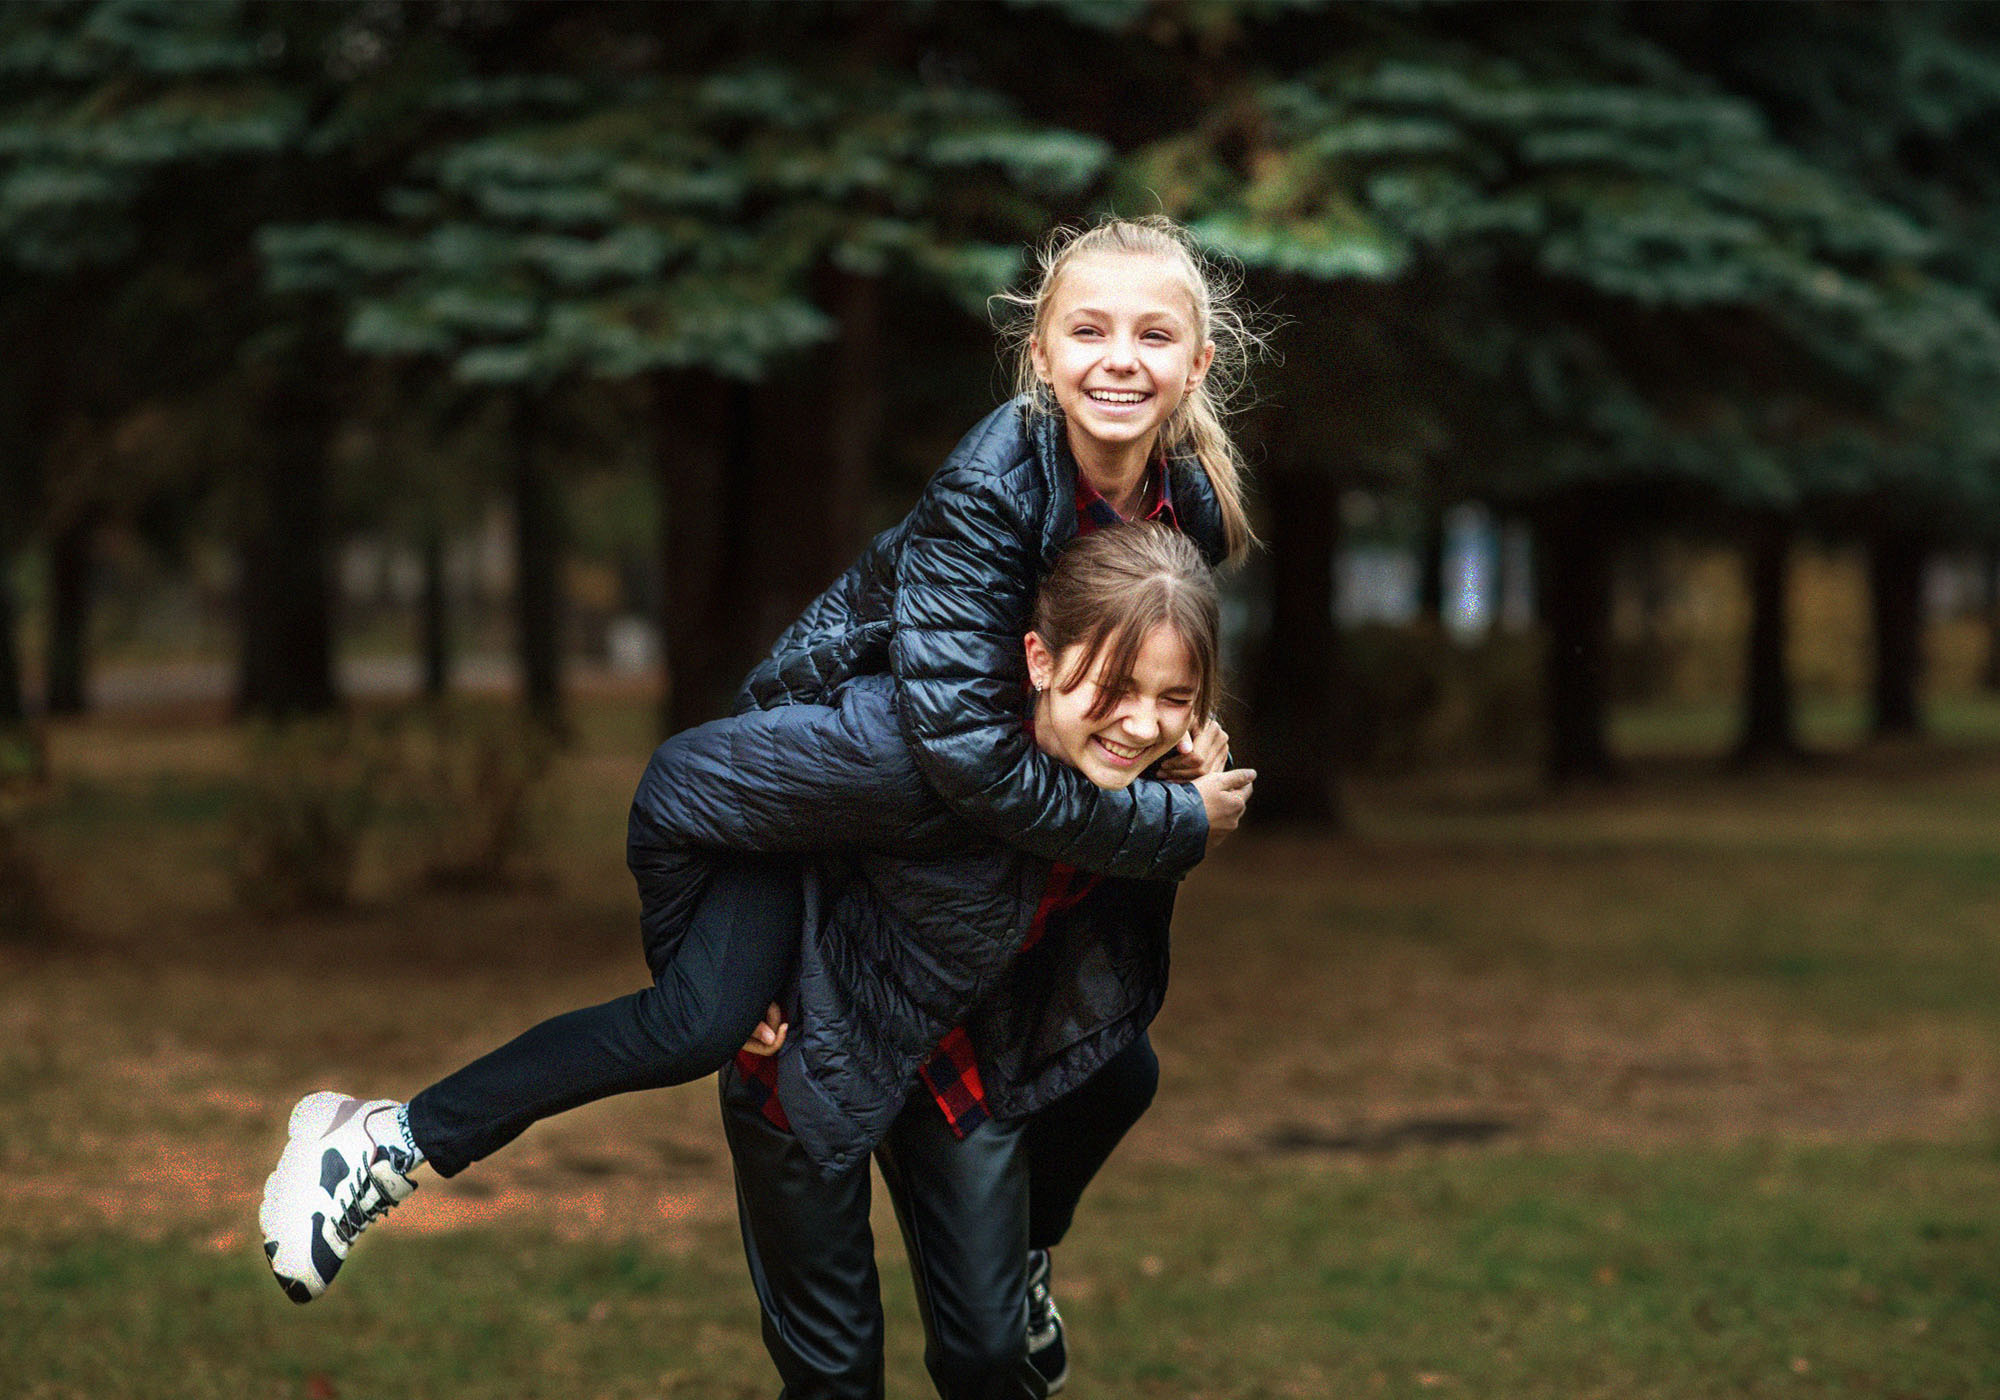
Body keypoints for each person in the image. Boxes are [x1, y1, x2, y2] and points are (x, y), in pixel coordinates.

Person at [261, 211, 1261, 1394]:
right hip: (799, 792)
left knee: (1114, 1059)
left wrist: (1179, 745)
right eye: (1087, 329)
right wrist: (1178, 824)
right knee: (698, 1019)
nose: (1120, 358)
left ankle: (1018, 1260)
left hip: (924, 842)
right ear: (1037, 354)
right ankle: (386, 1139)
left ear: (1198, 364)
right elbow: (967, 765)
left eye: (1154, 335)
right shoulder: (990, 496)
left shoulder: (1180, 508)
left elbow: (1140, 678)